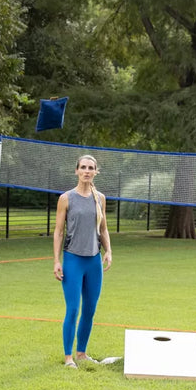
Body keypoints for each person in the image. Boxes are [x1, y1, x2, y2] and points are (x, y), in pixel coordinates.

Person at [52, 154, 113, 368]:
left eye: (91, 168)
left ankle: (81, 353)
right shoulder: (66, 198)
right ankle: (68, 358)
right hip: (72, 260)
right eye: (83, 167)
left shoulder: (100, 198)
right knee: (73, 309)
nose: (87, 171)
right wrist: (56, 261)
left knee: (90, 309)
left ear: (96, 171)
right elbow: (59, 231)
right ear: (77, 170)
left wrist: (108, 251)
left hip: (93, 261)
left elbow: (103, 229)